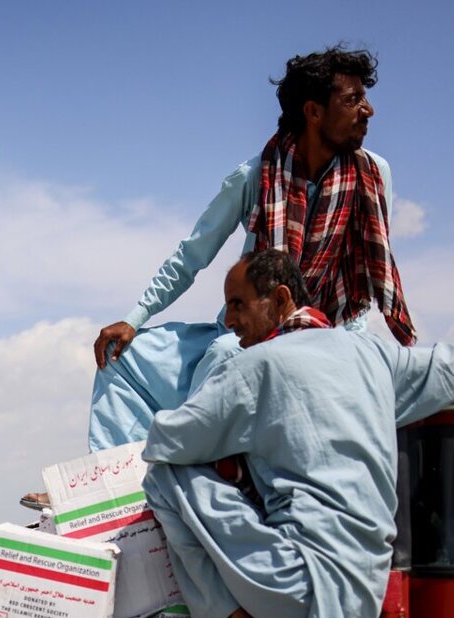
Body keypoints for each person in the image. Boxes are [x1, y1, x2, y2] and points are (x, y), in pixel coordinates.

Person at [24, 46, 414, 511]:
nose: (368, 110)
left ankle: (193, 487)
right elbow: (192, 255)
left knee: (225, 359)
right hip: (242, 329)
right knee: (123, 358)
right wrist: (135, 317)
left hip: (322, 335)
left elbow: (369, 272)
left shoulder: (373, 175)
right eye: (353, 99)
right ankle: (108, 493)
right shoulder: (255, 177)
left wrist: (343, 354)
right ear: (314, 112)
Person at [139, 252, 454, 618]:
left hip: (297, 599)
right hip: (363, 609)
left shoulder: (255, 366)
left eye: (239, 304)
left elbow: (168, 441)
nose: (230, 320)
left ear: (280, 300)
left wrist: (235, 454)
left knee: (164, 477)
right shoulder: (371, 355)